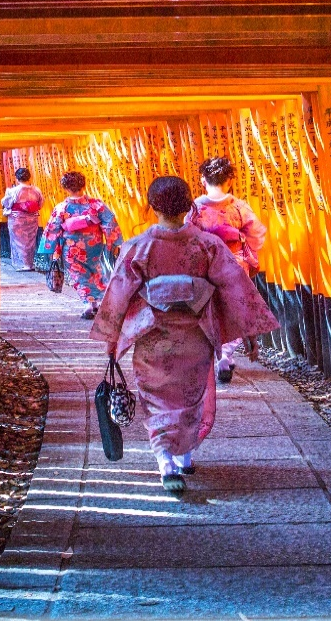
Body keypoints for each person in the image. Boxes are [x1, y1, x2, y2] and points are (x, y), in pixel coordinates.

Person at [91, 176, 279, 493]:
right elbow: (234, 286)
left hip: (153, 338)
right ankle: (185, 458)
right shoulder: (207, 246)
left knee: (157, 399)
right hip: (196, 335)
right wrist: (249, 330)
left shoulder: (139, 247)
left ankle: (166, 463)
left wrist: (113, 341)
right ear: (189, 204)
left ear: (152, 207)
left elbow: (118, 296)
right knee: (191, 397)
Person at [184, 157, 269, 384]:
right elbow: (257, 234)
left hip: (205, 265)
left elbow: (186, 237)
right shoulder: (239, 207)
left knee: (209, 307)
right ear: (230, 181)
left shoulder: (195, 209)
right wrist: (243, 247)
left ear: (203, 180)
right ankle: (226, 355)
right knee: (234, 309)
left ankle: (216, 353)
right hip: (234, 265)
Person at [43, 170, 123, 319]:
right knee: (95, 272)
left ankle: (88, 304)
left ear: (65, 188)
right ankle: (96, 302)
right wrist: (112, 242)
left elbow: (53, 228)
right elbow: (109, 222)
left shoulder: (62, 207)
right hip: (94, 244)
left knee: (79, 275)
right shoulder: (96, 205)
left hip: (72, 247)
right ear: (83, 185)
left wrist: (50, 247)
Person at [0, 167, 44, 271]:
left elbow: (6, 203)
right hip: (32, 218)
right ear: (29, 177)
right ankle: (29, 263)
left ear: (17, 178)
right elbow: (40, 203)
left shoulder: (14, 190)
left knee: (18, 241)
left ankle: (22, 264)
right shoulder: (36, 190)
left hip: (17, 219)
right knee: (30, 241)